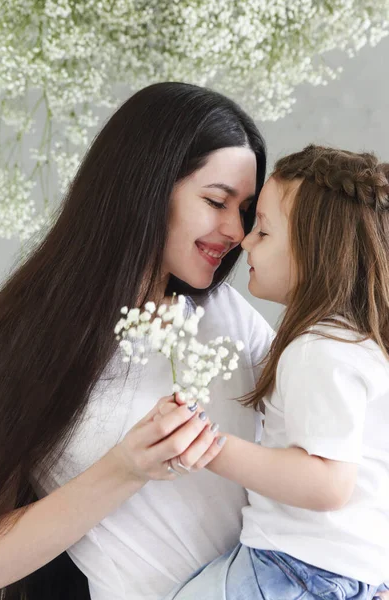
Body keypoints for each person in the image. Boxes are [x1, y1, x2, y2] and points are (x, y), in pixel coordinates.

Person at [0, 82, 274, 600]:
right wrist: (125, 468)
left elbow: (331, 451)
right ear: (145, 185)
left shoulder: (229, 318)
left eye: (247, 211)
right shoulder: (27, 341)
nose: (236, 230)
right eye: (216, 201)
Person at [163, 145, 389, 599]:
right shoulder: (359, 345)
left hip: (295, 570)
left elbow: (327, 483)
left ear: (314, 251)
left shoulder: (319, 350)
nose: (243, 241)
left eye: (262, 231)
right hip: (352, 575)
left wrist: (207, 446)